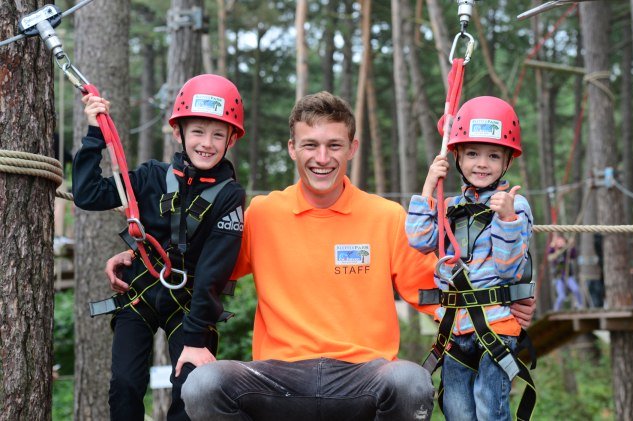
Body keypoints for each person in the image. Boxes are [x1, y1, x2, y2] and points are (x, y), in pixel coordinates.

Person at [168, 91, 537, 421]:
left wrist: (502, 304)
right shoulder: (262, 214)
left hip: (363, 377)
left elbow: (436, 294)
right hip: (277, 377)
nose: (322, 158)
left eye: (335, 145)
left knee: (412, 382)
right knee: (202, 385)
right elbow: (207, 272)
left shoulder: (387, 217)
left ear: (353, 148)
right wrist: (139, 261)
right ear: (292, 148)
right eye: (310, 145)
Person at [73, 74, 247, 421]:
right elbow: (88, 194)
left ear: (231, 139)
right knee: (124, 386)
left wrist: (196, 339)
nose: (207, 143)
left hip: (191, 306)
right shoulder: (151, 177)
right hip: (140, 295)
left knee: (190, 393)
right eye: (197, 131)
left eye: (218, 134)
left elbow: (214, 271)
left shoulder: (229, 197)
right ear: (178, 133)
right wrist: (95, 133)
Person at [405, 96, 534, 421]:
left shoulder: (515, 207)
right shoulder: (447, 206)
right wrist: (428, 184)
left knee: (490, 410)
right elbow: (419, 239)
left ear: (507, 161)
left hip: (496, 327)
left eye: (493, 155)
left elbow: (508, 269)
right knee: (456, 411)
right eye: (472, 153)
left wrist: (505, 221)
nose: (482, 163)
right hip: (455, 329)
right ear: (457, 157)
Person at [549, 232, 584, 311]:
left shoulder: (566, 251)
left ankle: (580, 305)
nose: (560, 243)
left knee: (576, 289)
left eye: (562, 241)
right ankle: (556, 310)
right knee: (561, 296)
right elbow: (550, 254)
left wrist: (572, 245)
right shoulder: (554, 252)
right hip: (559, 278)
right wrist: (552, 244)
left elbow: (573, 255)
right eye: (559, 241)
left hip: (568, 276)